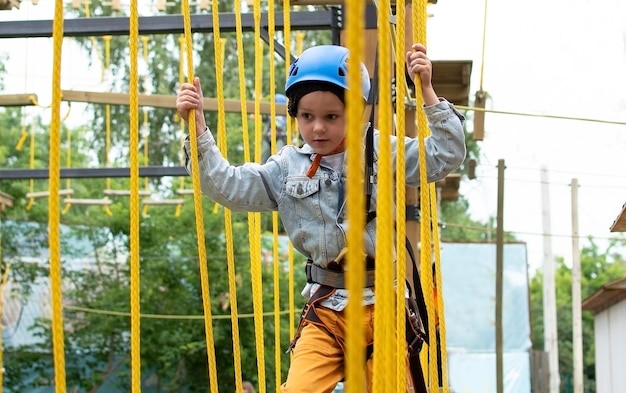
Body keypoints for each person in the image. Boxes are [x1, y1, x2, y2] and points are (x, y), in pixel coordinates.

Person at [176, 43, 466, 393]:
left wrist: (428, 91)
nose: (317, 128)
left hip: (383, 304)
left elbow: (444, 156)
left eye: (332, 116)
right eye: (307, 117)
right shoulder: (286, 169)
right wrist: (199, 132)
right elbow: (227, 187)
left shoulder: (379, 152)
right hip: (326, 309)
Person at [261, 93, 288, 162]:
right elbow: (260, 117)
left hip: (280, 136)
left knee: (279, 155)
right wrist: (260, 102)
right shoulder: (270, 112)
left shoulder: (285, 114)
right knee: (264, 155)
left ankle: (279, 168)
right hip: (268, 136)